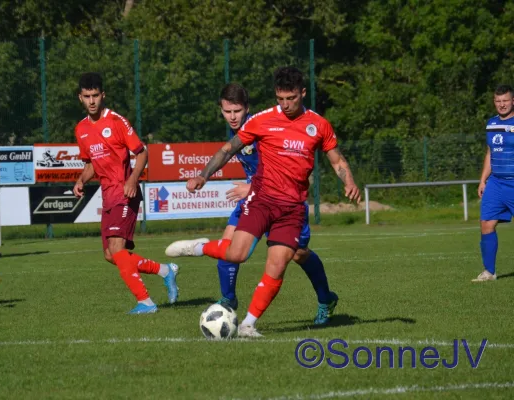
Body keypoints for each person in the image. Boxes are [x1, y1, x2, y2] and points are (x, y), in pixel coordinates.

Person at [166, 67, 360, 336]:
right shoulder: (262, 121)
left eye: (291, 98)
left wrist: (348, 181)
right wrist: (203, 175)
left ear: (303, 93)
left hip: (292, 208)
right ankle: (205, 258)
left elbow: (336, 160)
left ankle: (265, 318)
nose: (285, 104)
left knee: (294, 257)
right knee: (236, 253)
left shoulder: (319, 125)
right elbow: (227, 149)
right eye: (280, 98)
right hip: (262, 200)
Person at [215, 82, 339, 325]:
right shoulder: (236, 131)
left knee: (299, 254)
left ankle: (326, 298)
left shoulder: (263, 128)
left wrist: (250, 186)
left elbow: (282, 169)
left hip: (283, 199)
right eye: (227, 111)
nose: (232, 117)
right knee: (228, 249)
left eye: (237, 111)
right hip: (256, 199)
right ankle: (228, 303)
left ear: (247, 109)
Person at [73, 72, 179, 314]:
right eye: (87, 96)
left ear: (103, 95)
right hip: (108, 195)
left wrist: (133, 179)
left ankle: (146, 302)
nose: (92, 101)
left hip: (125, 192)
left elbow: (141, 152)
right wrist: (80, 180)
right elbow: (90, 164)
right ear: (80, 98)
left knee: (118, 250)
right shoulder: (81, 130)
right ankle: (165, 270)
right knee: (111, 255)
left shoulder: (117, 122)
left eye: (96, 96)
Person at [475, 84, 514, 282]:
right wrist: (483, 180)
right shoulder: (491, 123)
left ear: (512, 101)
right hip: (496, 183)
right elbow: (490, 153)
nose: (502, 104)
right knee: (486, 223)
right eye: (498, 101)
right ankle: (489, 272)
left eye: (505, 100)